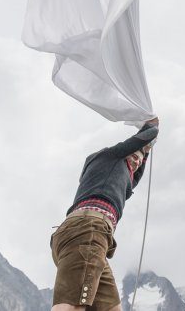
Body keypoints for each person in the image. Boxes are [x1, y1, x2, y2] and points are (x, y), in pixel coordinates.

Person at [50, 121, 158, 311]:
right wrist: (151, 127)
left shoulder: (117, 176)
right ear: (124, 151)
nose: (136, 161)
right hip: (89, 230)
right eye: (134, 155)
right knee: (72, 306)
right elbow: (143, 138)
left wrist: (145, 153)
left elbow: (136, 175)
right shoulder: (109, 156)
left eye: (140, 160)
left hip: (87, 235)